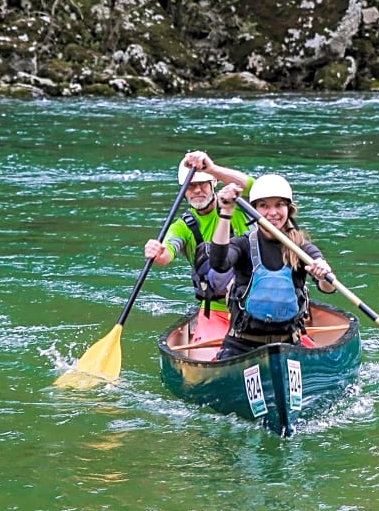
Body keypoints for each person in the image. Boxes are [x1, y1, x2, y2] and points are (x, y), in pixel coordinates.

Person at [209, 173, 336, 359]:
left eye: (279, 205)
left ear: (289, 209)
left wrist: (323, 274)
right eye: (264, 206)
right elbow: (219, 264)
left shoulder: (301, 248)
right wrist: (226, 212)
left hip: (288, 344)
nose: (273, 212)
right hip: (241, 345)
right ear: (254, 210)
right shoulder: (243, 244)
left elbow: (329, 288)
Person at [144, 150, 253, 341]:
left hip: (256, 303)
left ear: (214, 184)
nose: (197, 190)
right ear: (183, 191)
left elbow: (253, 186)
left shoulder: (237, 203)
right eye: (191, 186)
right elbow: (167, 253)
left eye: (202, 184)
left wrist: (212, 169)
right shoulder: (182, 227)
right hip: (217, 311)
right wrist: (158, 253)